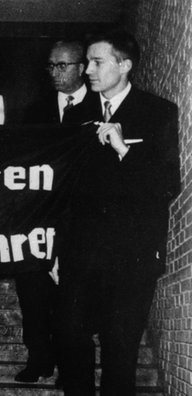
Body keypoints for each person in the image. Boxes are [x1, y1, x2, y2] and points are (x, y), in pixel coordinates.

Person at [56, 30, 180, 395]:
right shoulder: (75, 117)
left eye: (97, 62)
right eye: (88, 62)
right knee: (69, 337)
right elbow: (62, 190)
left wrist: (124, 148)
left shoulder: (158, 112)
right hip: (81, 254)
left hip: (132, 256)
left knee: (120, 349)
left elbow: (166, 184)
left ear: (124, 65)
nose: (88, 71)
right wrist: (54, 249)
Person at [14, 39, 97, 383]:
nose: (55, 73)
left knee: (74, 300)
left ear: (82, 68)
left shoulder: (100, 108)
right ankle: (39, 359)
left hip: (80, 221)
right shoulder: (33, 113)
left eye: (63, 66)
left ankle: (70, 366)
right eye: (51, 66)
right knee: (32, 294)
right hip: (38, 218)